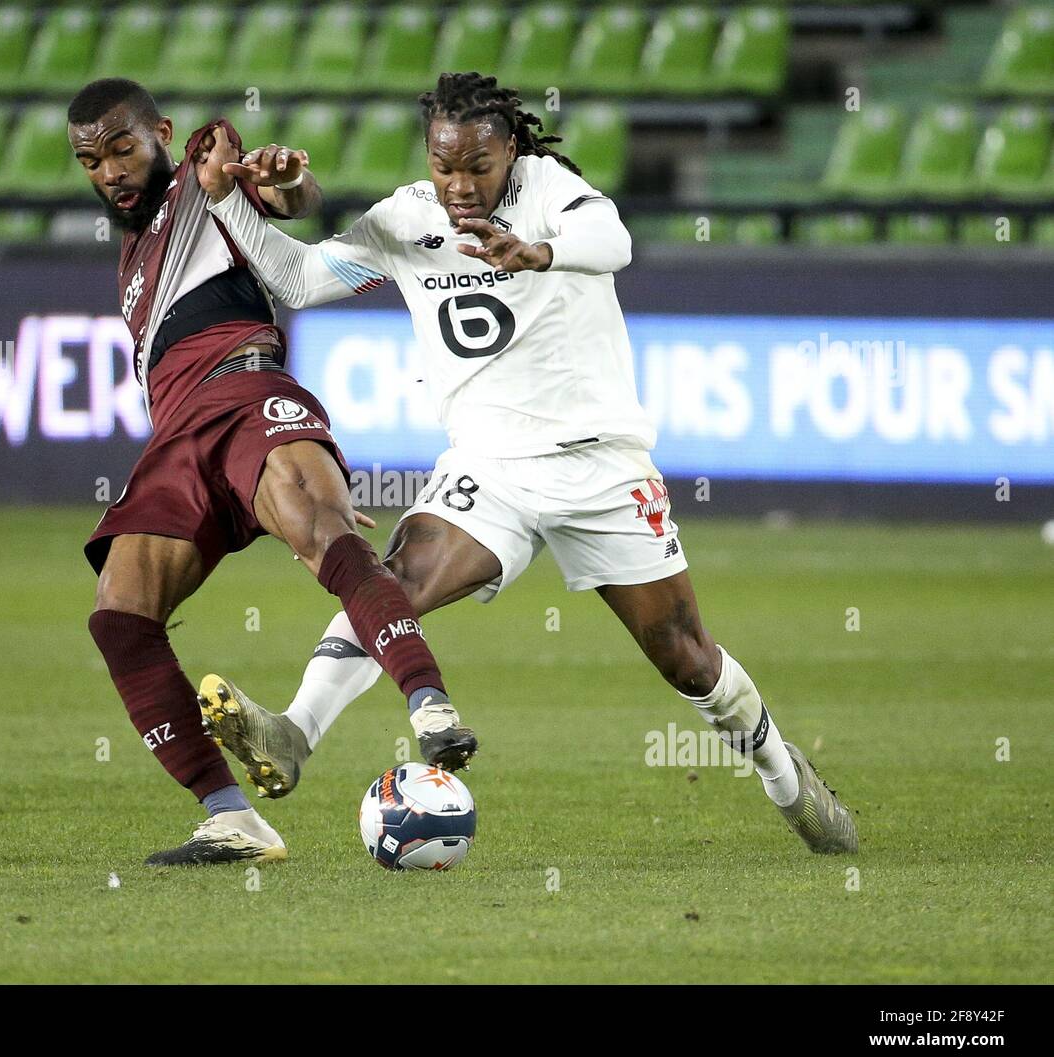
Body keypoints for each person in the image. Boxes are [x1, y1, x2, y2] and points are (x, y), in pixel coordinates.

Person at [193, 72, 857, 854]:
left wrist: (539, 252)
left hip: (601, 465)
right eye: (445, 165)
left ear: (510, 148)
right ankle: (294, 733)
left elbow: (617, 242)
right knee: (394, 580)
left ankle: (791, 783)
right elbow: (299, 278)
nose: (460, 184)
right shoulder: (406, 218)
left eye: (478, 165)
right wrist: (227, 202)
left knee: (686, 658)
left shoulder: (553, 191)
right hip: (491, 467)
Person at [67, 77, 473, 866]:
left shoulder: (198, 177)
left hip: (245, 390)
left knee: (324, 537)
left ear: (160, 133)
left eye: (123, 148)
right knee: (119, 617)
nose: (111, 171)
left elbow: (286, 192)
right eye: (91, 160)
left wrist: (281, 178)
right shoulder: (134, 255)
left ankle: (428, 706)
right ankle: (232, 818)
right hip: (177, 439)